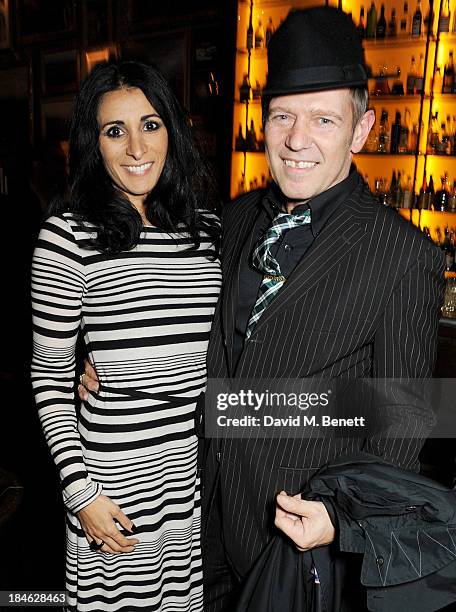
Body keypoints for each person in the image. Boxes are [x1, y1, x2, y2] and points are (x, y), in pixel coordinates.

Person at [200, 7, 445, 611]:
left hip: (300, 555)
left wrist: (340, 516)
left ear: (361, 132)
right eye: (283, 115)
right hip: (199, 533)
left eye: (323, 119)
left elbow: (402, 426)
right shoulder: (232, 222)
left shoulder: (402, 255)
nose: (297, 139)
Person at [31, 60, 221, 612]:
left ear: (173, 130)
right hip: (112, 480)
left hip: (184, 474)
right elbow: (48, 373)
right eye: (116, 131)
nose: (137, 147)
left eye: (151, 125)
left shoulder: (204, 231)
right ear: (95, 143)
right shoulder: (68, 236)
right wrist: (80, 492)